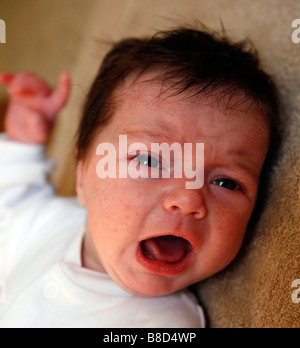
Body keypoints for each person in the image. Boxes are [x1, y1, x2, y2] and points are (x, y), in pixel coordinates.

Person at [0, 26, 280, 328]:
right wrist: (22, 141)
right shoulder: (50, 222)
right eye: (149, 161)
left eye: (225, 182)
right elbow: (13, 200)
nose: (188, 198)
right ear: (82, 176)